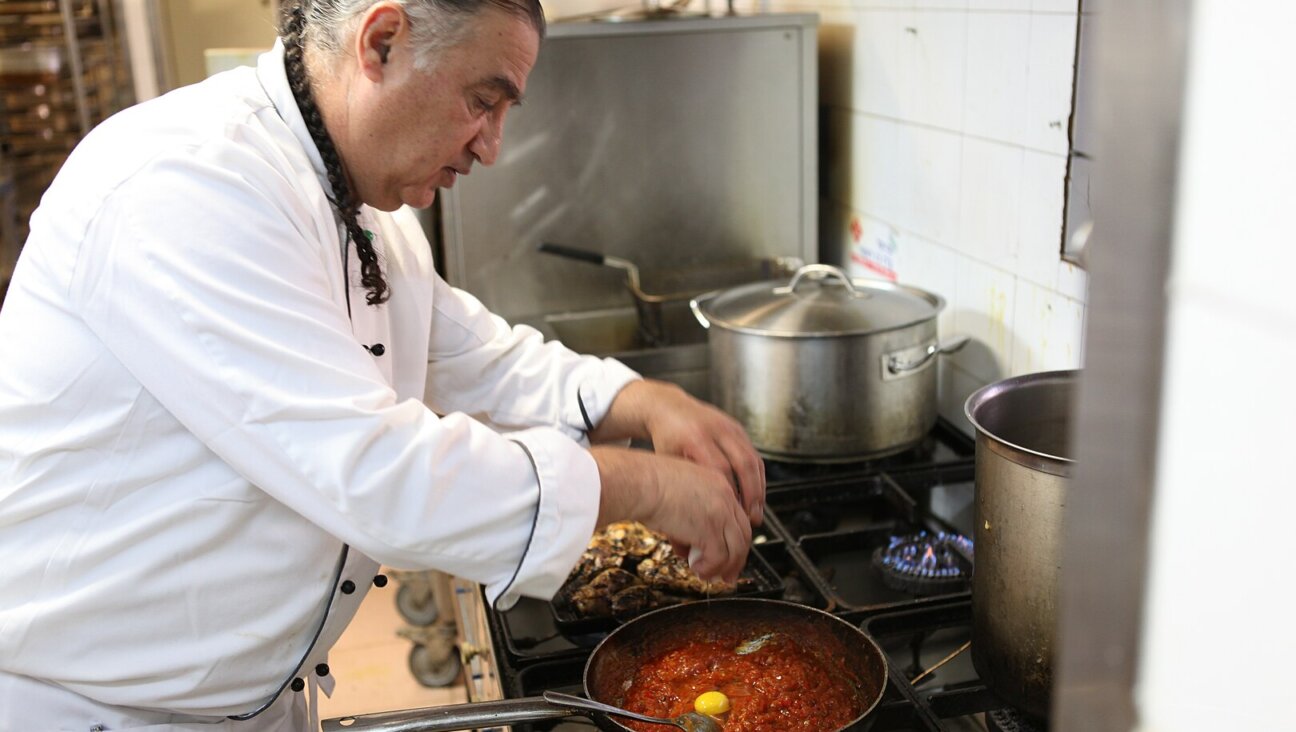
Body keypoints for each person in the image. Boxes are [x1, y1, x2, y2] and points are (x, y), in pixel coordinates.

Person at [0, 0, 766, 729]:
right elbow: (377, 473)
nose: (491, 146)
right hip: (94, 712)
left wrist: (641, 399)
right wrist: (641, 484)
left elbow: (473, 354)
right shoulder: (182, 184)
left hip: (249, 700)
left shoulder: (364, 212)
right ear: (382, 42)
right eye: (483, 101)